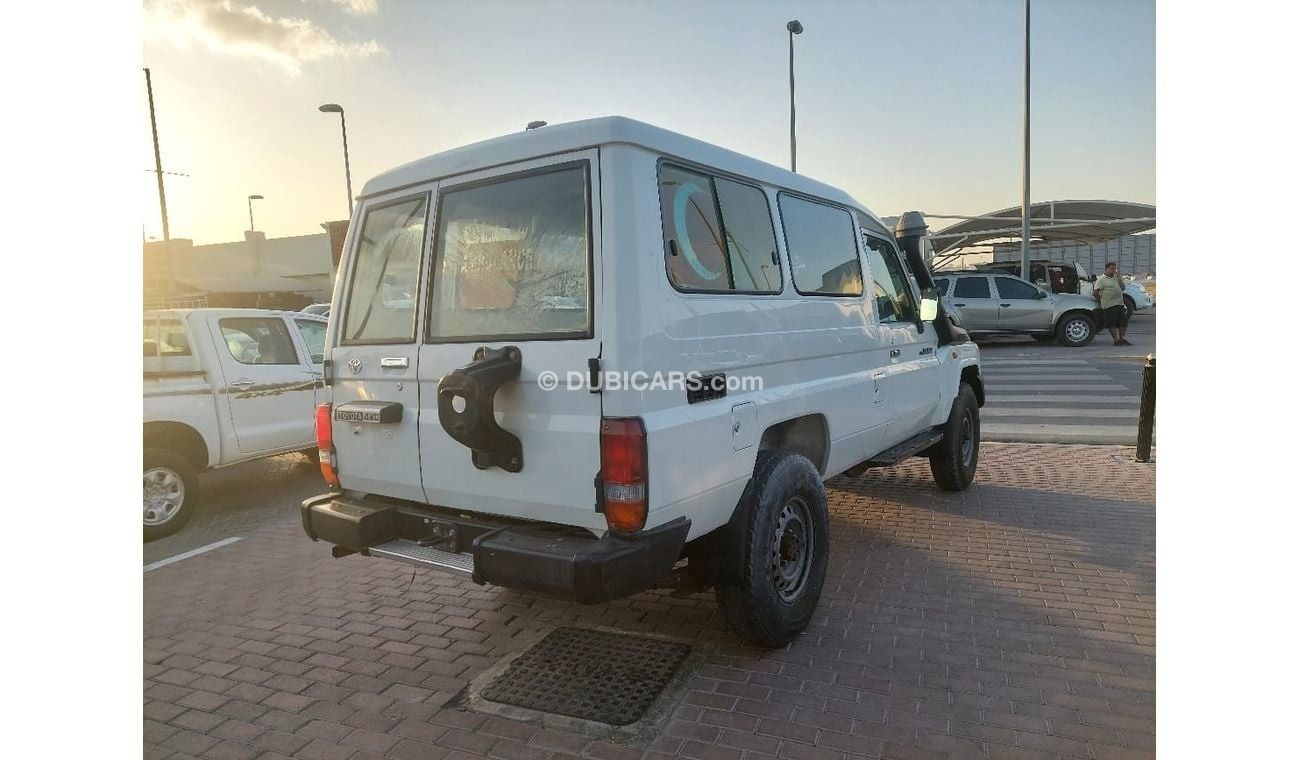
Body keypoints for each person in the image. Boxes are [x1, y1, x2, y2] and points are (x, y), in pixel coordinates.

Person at [1093, 261, 1130, 346]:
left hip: (1119, 303)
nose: (1114, 270)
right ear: (1106, 269)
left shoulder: (1116, 277)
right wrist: (1101, 300)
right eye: (1112, 269)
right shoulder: (1101, 280)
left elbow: (1123, 288)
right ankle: (1116, 340)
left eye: (1115, 269)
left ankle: (1122, 339)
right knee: (1111, 323)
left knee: (1123, 322)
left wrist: (1119, 278)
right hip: (1109, 305)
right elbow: (1095, 293)